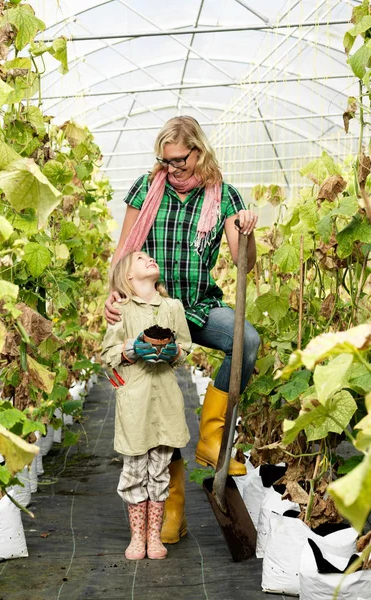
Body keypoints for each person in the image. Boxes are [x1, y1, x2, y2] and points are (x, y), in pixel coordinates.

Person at [105, 116, 260, 545]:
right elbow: (125, 248)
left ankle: (213, 438)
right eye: (165, 161)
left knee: (246, 341)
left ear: (199, 151)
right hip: (151, 311)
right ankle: (170, 511)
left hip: (197, 306)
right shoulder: (146, 188)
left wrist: (248, 232)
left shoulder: (224, 198)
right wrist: (113, 293)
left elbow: (244, 263)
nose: (172, 168)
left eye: (179, 160)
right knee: (159, 404)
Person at [101, 251, 192, 560]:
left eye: (151, 257)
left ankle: (154, 536)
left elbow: (186, 347)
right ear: (127, 276)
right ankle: (137, 536)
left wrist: (173, 352)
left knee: (160, 472)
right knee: (134, 471)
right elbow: (107, 353)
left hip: (165, 403)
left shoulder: (172, 307)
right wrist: (131, 349)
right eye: (141, 258)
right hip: (135, 404)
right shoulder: (121, 311)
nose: (150, 259)